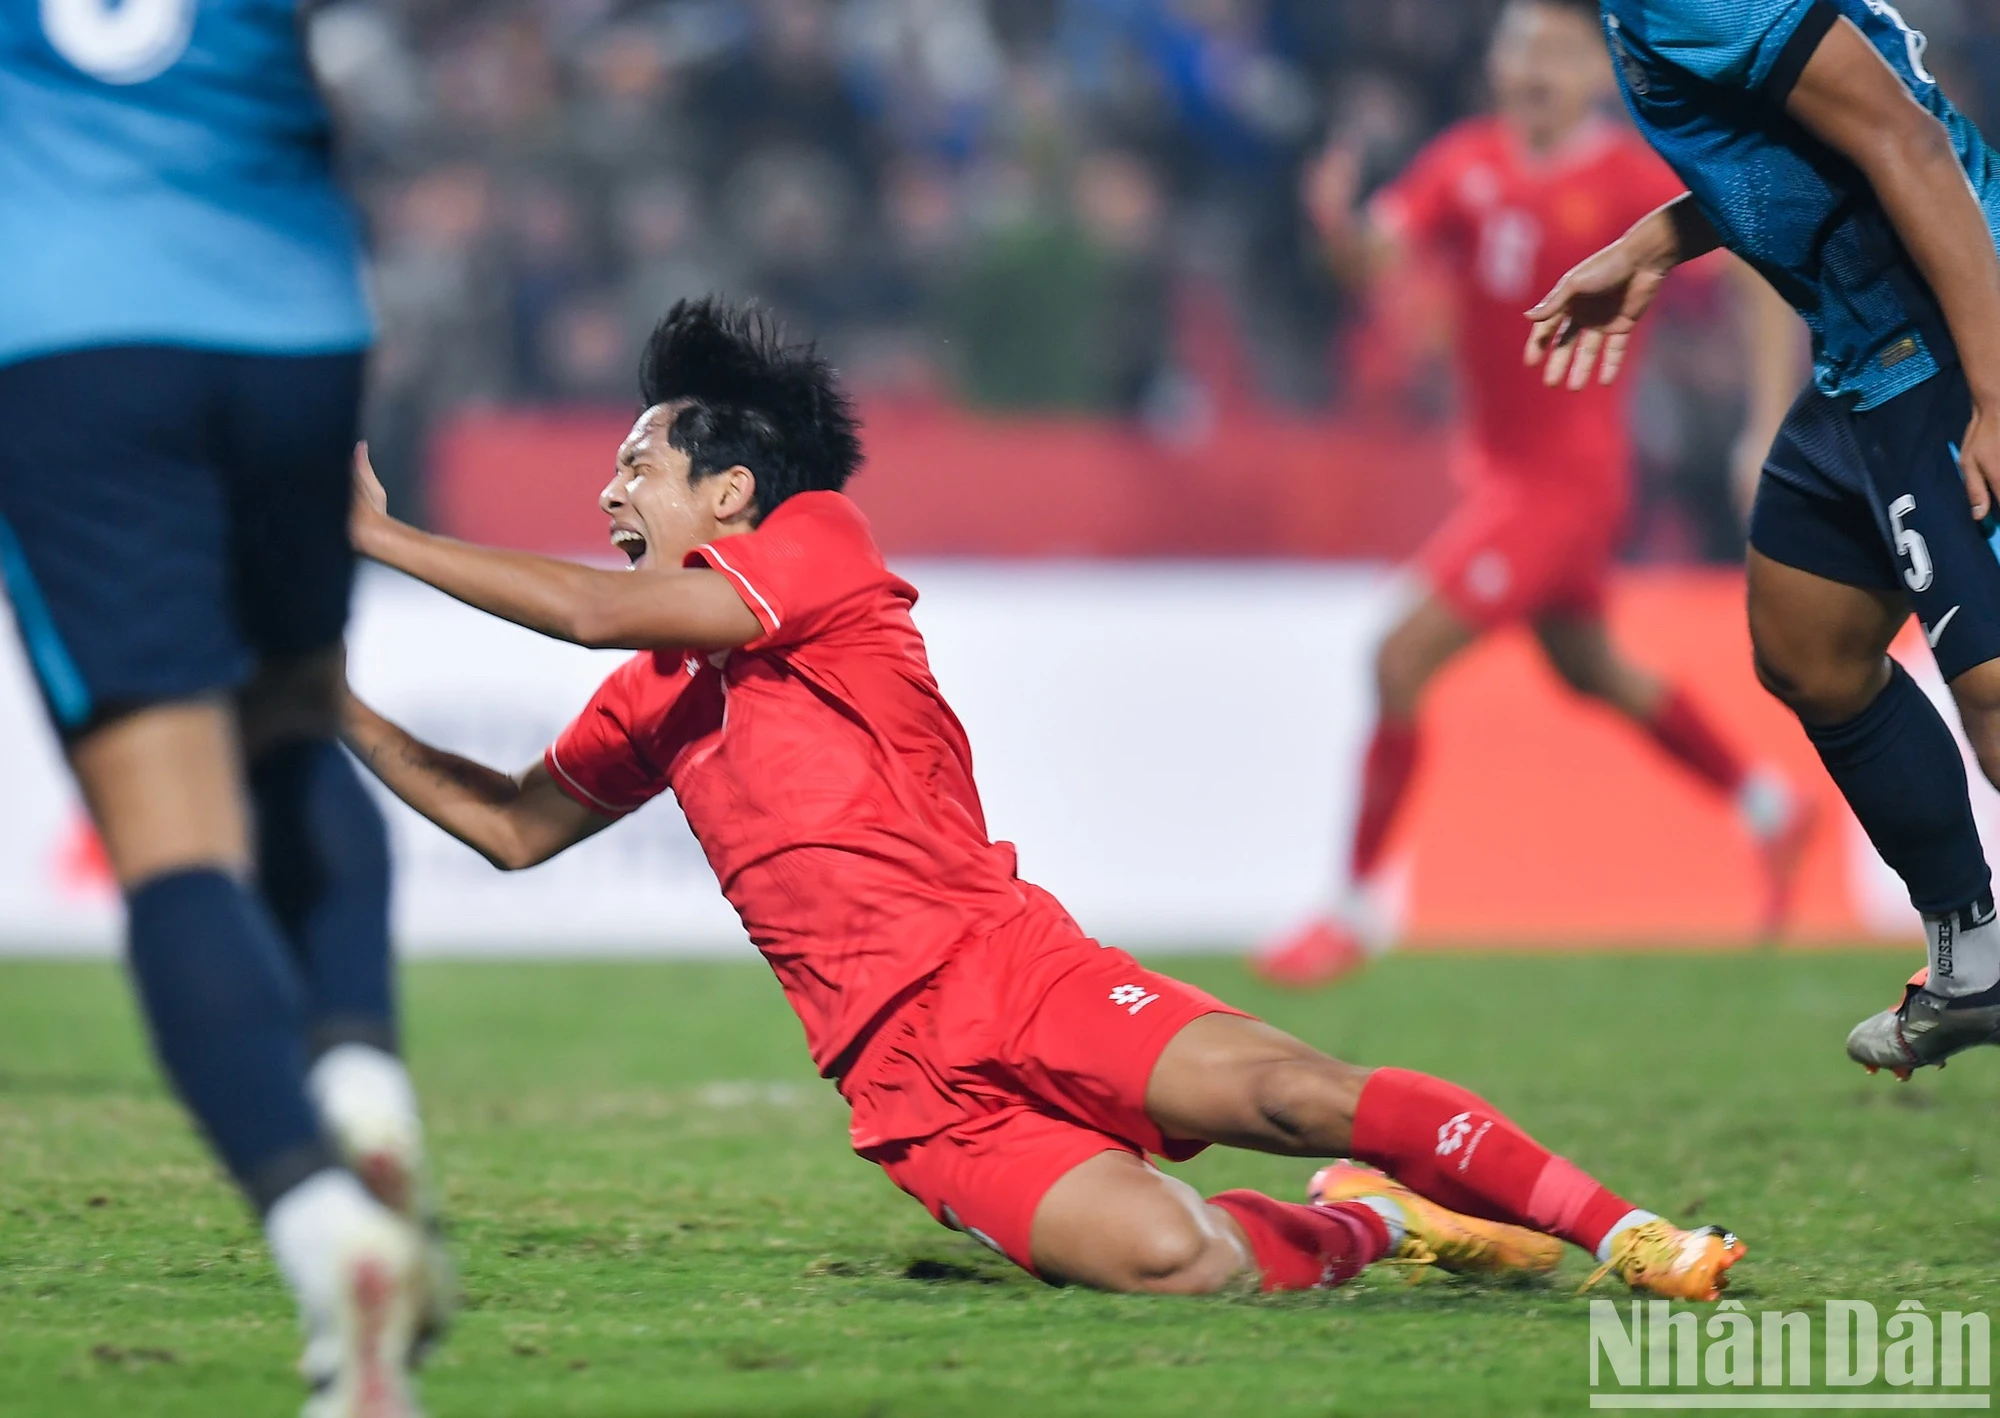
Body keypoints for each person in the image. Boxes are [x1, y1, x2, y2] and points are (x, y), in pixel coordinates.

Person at [342, 296, 1743, 1302]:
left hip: (1008, 967)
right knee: (1172, 1259)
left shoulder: (815, 543)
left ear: (731, 489)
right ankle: (1370, 1225)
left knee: (1296, 1090)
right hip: (901, 1086)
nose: (606, 491)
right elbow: (512, 828)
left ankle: (1632, 1234)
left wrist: (379, 536)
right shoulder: (659, 680)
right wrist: (320, 702)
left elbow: (588, 611)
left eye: (634, 466)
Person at [0, 2, 444, 1411]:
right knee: (292, 716)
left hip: (67, 332)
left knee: (172, 824)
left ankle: (328, 1231)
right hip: (292, 317)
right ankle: (365, 1075)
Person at [1257, 0, 1815, 989]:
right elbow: (1378, 255)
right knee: (1589, 668)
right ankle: (1770, 806)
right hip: (1502, 474)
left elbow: (1758, 271)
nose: (1531, 70)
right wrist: (1339, 230)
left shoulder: (1625, 178)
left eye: (1553, 53)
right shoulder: (1464, 160)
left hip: (1566, 481)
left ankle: (1347, 910)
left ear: (1596, 74)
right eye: (1517, 51)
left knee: (1396, 656)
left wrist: (1761, 418)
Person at [1526, 0, 2000, 1078]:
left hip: (1942, 332)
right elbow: (1810, 146)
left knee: (1994, 702)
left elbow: (1905, 141)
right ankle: (1974, 965)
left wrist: (1993, 389)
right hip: (1862, 347)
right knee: (1806, 642)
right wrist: (1659, 236)